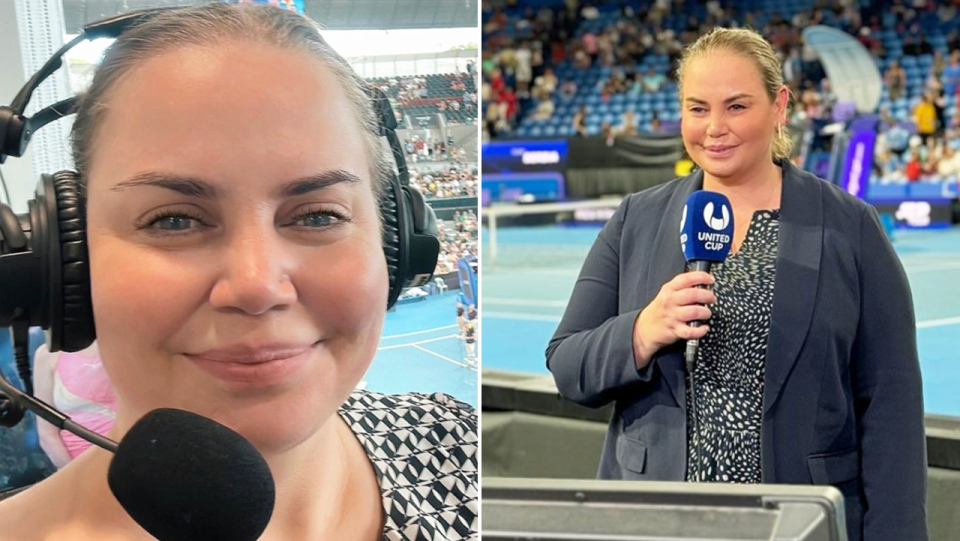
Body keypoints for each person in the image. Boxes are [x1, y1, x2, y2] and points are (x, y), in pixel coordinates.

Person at [0, 4, 477, 540]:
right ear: (65, 259)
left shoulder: (461, 445)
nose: (256, 285)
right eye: (174, 220)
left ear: (399, 244)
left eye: (319, 215)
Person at [546, 27, 926, 541]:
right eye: (697, 108)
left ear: (779, 105)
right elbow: (568, 365)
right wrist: (642, 330)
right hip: (653, 518)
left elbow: (892, 401)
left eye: (737, 106)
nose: (715, 128)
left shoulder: (848, 226)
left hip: (795, 520)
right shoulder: (637, 219)